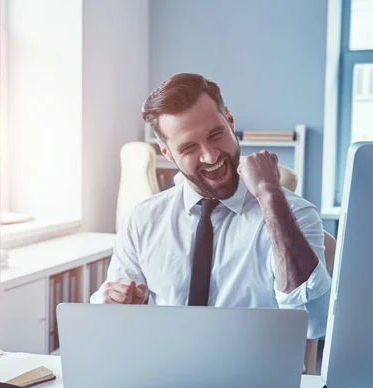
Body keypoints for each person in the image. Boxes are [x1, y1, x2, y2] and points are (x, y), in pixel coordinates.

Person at [90, 73, 331, 338]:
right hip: (163, 372)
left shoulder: (295, 214)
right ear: (167, 152)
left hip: (252, 376)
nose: (211, 155)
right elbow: (116, 323)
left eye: (216, 135)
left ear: (230, 121)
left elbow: (314, 323)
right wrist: (110, 304)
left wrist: (270, 196)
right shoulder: (142, 220)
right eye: (189, 147)